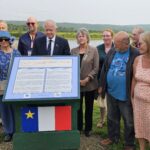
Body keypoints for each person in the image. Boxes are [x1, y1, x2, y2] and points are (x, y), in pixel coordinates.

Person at [98, 31, 139, 150]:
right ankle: (112, 137)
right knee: (111, 117)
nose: (114, 45)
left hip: (126, 94)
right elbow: (105, 68)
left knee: (128, 120)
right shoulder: (113, 50)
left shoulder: (135, 53)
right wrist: (101, 85)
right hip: (111, 92)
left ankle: (129, 143)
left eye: (116, 43)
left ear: (126, 43)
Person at [71, 28, 99, 137]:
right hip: (77, 85)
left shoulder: (93, 50)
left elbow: (96, 68)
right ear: (77, 39)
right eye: (79, 36)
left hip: (90, 85)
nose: (81, 37)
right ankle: (78, 127)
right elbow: (71, 66)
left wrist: (87, 79)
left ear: (87, 37)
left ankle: (88, 128)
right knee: (78, 108)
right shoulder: (73, 51)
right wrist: (77, 81)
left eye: (83, 36)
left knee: (89, 108)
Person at [0, 31, 21, 142]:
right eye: (1, 40)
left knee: (16, 108)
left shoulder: (16, 52)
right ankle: (9, 132)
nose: (3, 41)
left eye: (5, 39)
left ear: (9, 40)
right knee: (5, 109)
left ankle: (18, 130)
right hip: (1, 85)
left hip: (15, 85)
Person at [131, 32, 150, 150]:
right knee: (140, 126)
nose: (138, 46)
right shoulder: (137, 59)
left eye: (141, 44)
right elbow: (134, 79)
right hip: (138, 102)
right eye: (137, 44)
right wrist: (131, 96)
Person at [96, 29, 114, 128]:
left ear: (112, 36)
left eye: (107, 35)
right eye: (104, 36)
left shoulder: (117, 48)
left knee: (112, 102)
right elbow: (96, 65)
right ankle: (102, 120)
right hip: (101, 79)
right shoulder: (98, 48)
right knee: (102, 101)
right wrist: (99, 83)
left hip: (113, 79)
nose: (105, 37)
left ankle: (112, 121)